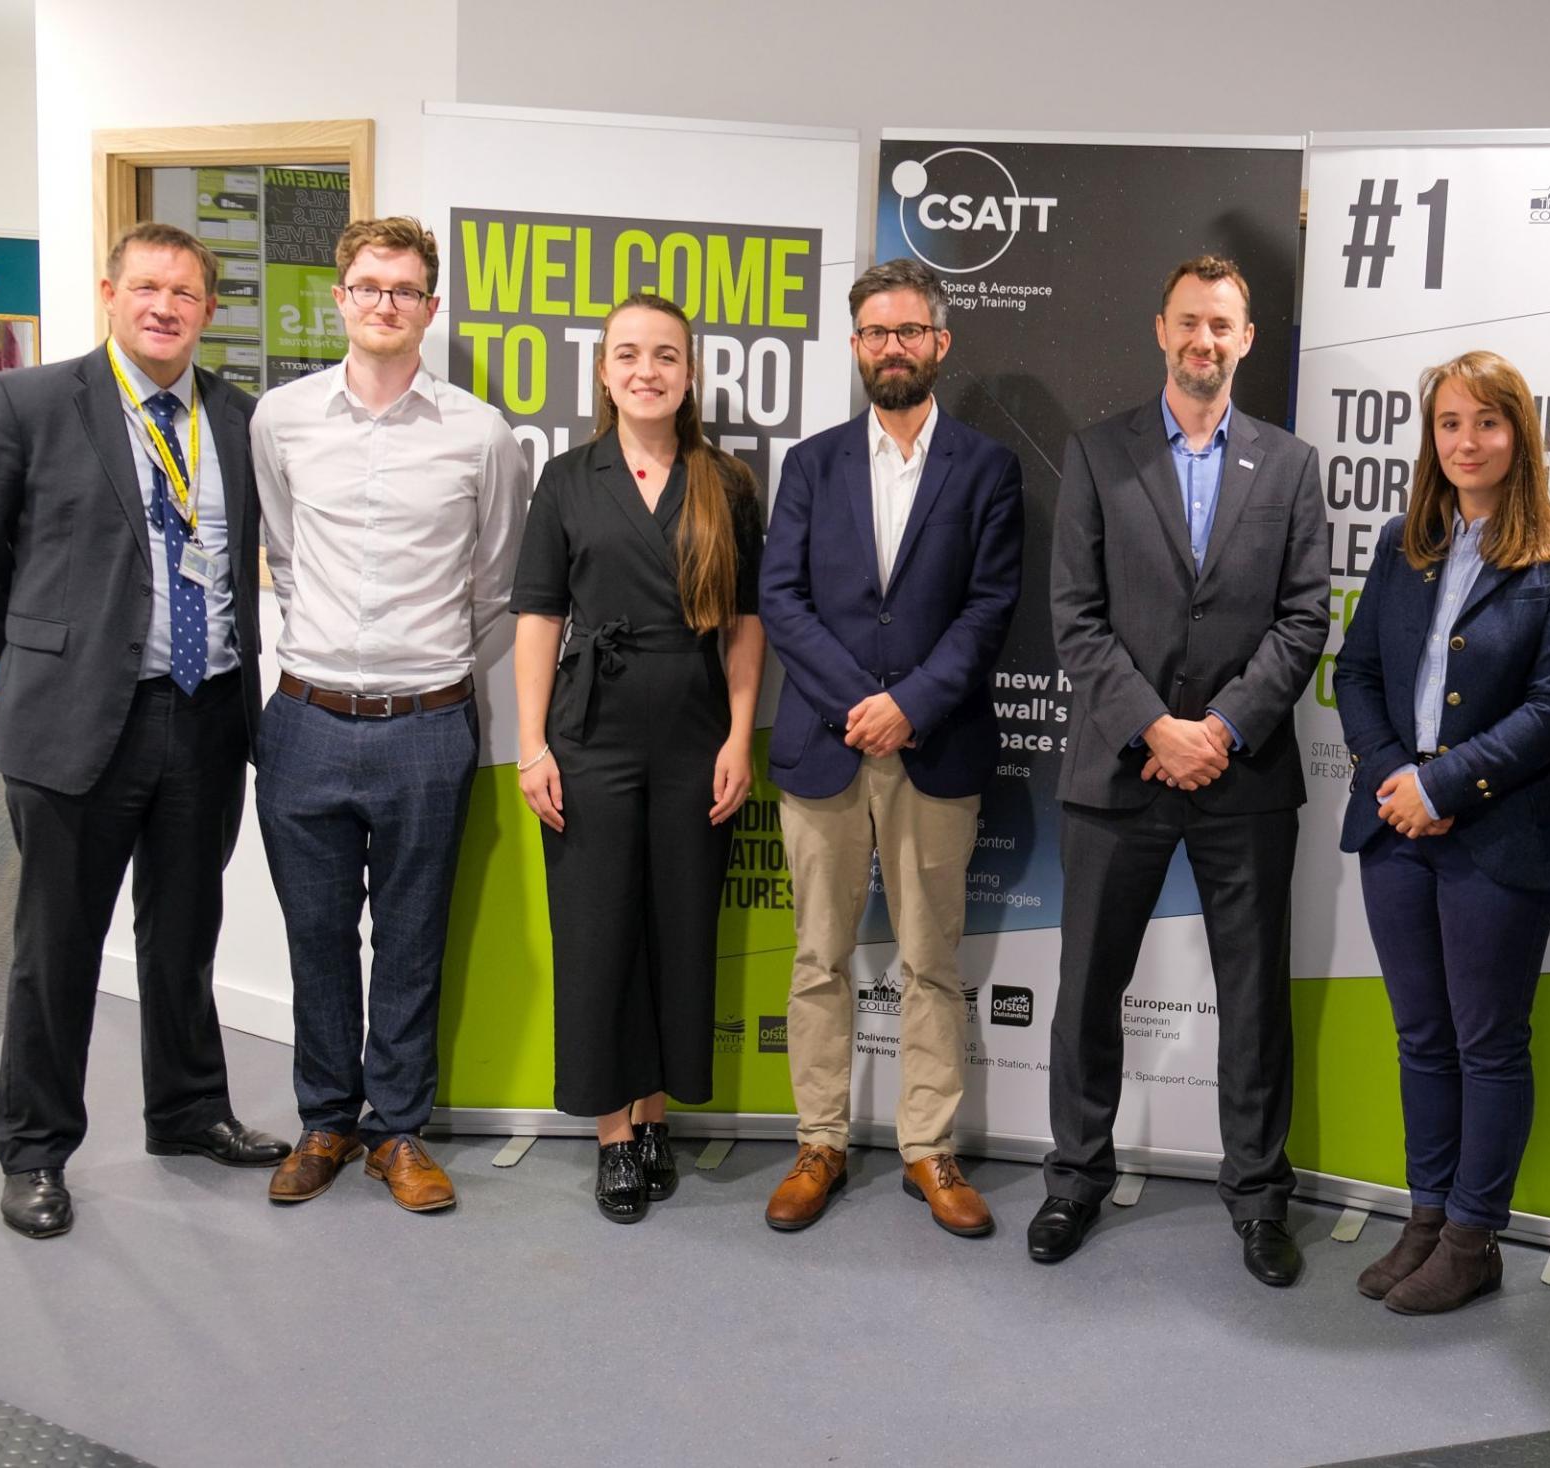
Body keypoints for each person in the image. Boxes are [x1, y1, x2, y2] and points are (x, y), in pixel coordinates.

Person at [0, 222, 290, 1238]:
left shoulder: (237, 417)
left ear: (208, 310)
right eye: (146, 287)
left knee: (185, 934)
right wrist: (47, 655)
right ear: (109, 292)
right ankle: (36, 1151)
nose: (164, 307)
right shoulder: (31, 401)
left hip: (208, 713)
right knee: (57, 948)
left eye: (184, 292)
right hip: (79, 723)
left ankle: (186, 1112)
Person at [1032, 254, 1330, 1286]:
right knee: (1086, 990)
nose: (1206, 340)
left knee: (1253, 1000)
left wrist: (1225, 729)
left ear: (1247, 340)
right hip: (1121, 773)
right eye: (1190, 321)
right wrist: (1156, 728)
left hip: (1243, 781)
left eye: (1225, 325)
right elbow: (1073, 617)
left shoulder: (1289, 467)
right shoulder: (1098, 453)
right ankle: (1074, 1175)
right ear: (1163, 329)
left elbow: (1304, 621)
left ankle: (1257, 1195)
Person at [251, 216, 526, 1213]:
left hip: (426, 724)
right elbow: (282, 545)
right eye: (368, 286)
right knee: (315, 935)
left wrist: (426, 670)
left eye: (404, 290)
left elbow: (495, 586)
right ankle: (325, 1120)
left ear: (431, 307)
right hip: (307, 719)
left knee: (412, 937)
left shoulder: (479, 435)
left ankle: (397, 1131)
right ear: (340, 298)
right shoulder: (280, 421)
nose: (384, 304)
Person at [1332, 350, 1550, 1314]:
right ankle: (1425, 1217)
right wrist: (1389, 776)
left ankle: (1473, 1236)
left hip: (1497, 837)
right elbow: (1354, 674)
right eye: (1449, 423)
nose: (1466, 442)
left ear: (1519, 433)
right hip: (1394, 830)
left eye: (1485, 423)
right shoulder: (1406, 543)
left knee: (1488, 1041)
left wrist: (1442, 784)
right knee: (1421, 1037)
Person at [757, 258, 1023, 1237]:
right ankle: (820, 1138)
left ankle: (927, 1148)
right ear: (857, 345)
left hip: (935, 748)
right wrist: (858, 704)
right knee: (820, 958)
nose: (893, 347)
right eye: (875, 332)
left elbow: (990, 608)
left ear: (940, 343)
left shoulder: (988, 469)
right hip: (826, 748)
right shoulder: (813, 464)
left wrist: (907, 706)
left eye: (909, 331)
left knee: (929, 962)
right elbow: (780, 598)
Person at [509, 293, 766, 1224]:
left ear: (690, 373)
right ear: (606, 371)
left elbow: (745, 624)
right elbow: (538, 617)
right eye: (628, 354)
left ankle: (656, 1116)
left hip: (696, 736)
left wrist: (740, 738)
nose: (646, 369)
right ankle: (614, 1135)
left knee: (679, 930)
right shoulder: (567, 481)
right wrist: (531, 743)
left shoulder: (726, 483)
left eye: (665, 354)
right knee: (599, 933)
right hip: (592, 734)